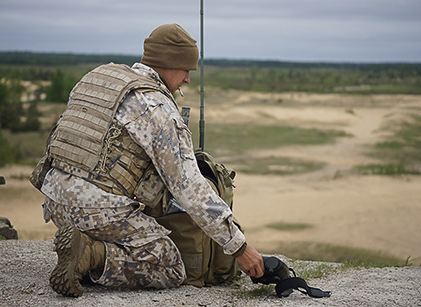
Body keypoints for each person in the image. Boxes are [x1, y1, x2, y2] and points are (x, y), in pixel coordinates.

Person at [34, 23, 264, 297]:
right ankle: (90, 255)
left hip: (56, 205)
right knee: (169, 265)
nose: (188, 79)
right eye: (186, 70)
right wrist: (239, 247)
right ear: (169, 63)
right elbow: (190, 189)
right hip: (97, 212)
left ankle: (82, 242)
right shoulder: (158, 109)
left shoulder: (102, 80)